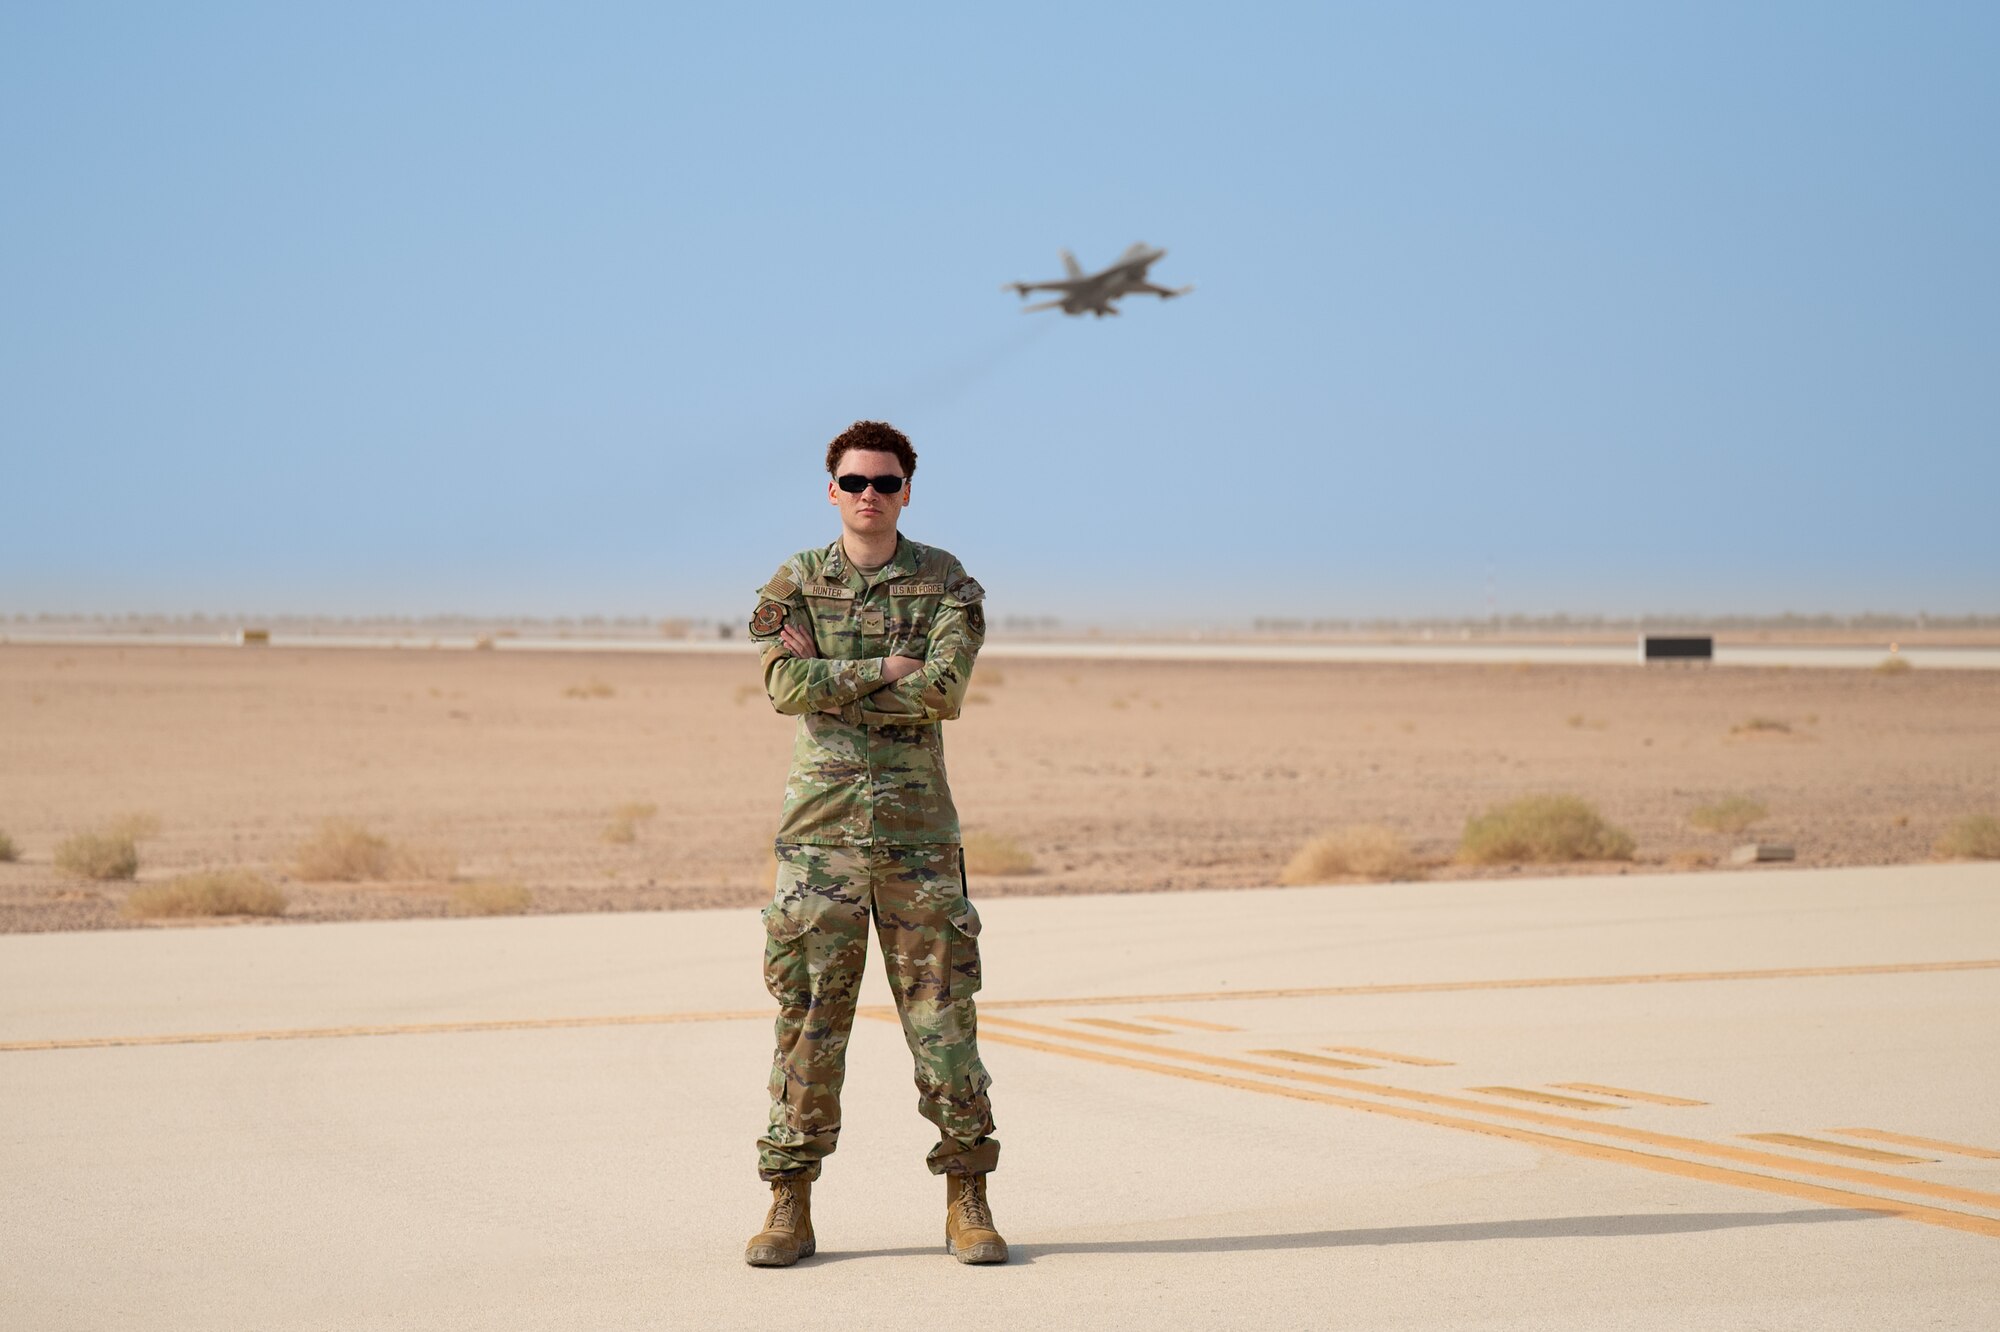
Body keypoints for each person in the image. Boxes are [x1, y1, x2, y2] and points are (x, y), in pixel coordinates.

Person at [742, 420, 1006, 1268]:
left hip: (918, 842)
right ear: (832, 490)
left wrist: (843, 684)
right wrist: (883, 672)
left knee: (943, 1024)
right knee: (809, 1022)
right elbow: (786, 687)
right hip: (820, 842)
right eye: (854, 482)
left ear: (906, 492)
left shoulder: (944, 583)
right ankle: (790, 1203)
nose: (869, 496)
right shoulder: (795, 583)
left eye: (885, 484)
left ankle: (967, 1198)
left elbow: (945, 690)